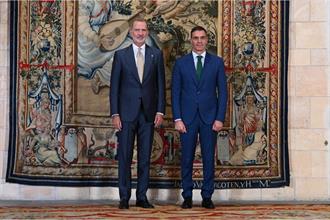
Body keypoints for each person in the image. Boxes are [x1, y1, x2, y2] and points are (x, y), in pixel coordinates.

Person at [110, 17, 165, 209]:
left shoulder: (156, 55)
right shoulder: (121, 55)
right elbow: (114, 88)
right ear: (131, 32)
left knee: (145, 158)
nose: (140, 33)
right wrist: (115, 114)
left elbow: (160, 86)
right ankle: (124, 197)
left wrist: (160, 111)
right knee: (124, 157)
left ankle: (142, 196)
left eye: (143, 30)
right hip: (125, 114)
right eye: (137, 30)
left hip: (148, 114)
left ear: (147, 32)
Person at [171, 26, 227, 209]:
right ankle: (187, 196)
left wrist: (220, 118)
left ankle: (207, 196)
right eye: (195, 38)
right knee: (186, 158)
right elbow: (175, 93)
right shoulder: (181, 63)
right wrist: (177, 118)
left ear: (207, 40)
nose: (199, 41)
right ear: (190, 40)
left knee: (208, 158)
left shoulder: (217, 63)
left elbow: (223, 93)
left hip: (210, 118)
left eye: (202, 37)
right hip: (187, 118)